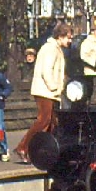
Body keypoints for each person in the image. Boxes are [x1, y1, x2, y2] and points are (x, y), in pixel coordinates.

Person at [16, 22, 72, 165]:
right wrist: (54, 87)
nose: (70, 41)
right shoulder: (50, 49)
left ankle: (43, 150)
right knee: (44, 120)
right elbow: (46, 70)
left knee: (52, 123)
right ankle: (24, 147)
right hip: (45, 91)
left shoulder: (55, 48)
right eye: (68, 38)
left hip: (50, 92)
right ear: (61, 36)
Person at [78, 24, 96, 103]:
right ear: (93, 31)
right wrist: (94, 64)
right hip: (90, 71)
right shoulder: (87, 42)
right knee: (90, 86)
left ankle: (94, 99)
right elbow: (83, 56)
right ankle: (90, 100)